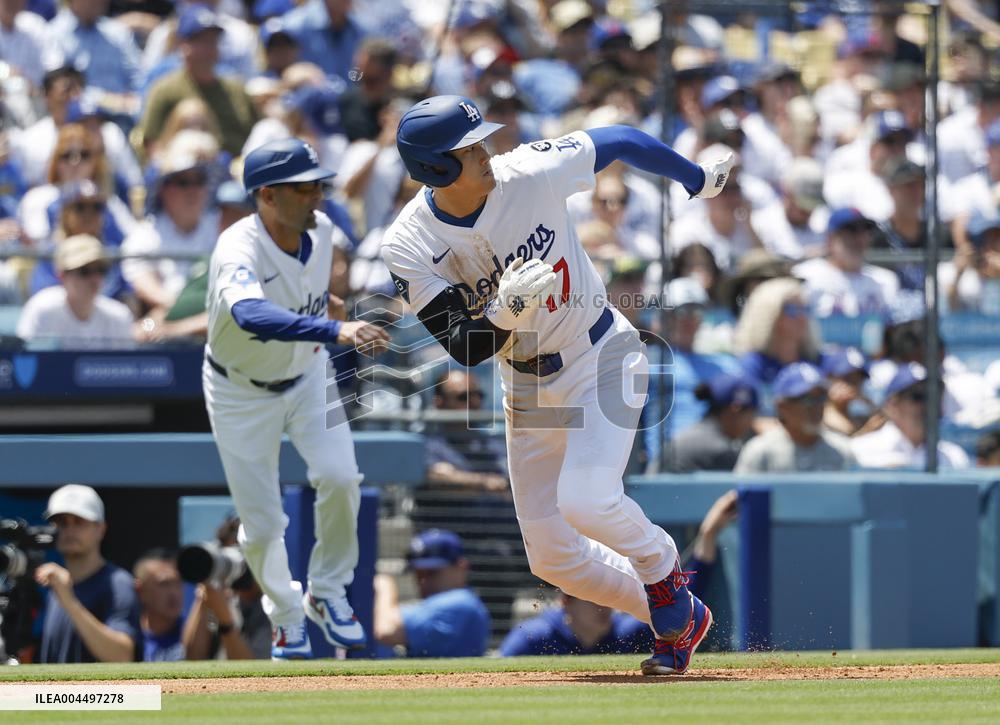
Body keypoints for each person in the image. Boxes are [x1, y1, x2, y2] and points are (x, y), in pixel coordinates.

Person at [382, 95, 735, 676]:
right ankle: (676, 613)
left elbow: (620, 136)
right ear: (436, 168)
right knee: (552, 557)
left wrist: (694, 177)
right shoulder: (409, 242)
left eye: (483, 140)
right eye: (470, 149)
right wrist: (502, 312)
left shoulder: (527, 170)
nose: (487, 152)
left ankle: (663, 566)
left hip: (599, 354)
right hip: (524, 385)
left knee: (587, 499)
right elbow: (464, 347)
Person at [203, 137, 389, 660]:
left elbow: (301, 292)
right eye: (303, 187)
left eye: (319, 185)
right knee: (262, 523)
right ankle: (286, 613)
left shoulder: (323, 229)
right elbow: (249, 315)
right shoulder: (236, 246)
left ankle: (328, 592)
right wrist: (336, 328)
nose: (317, 195)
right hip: (239, 389)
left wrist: (325, 309)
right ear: (266, 195)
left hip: (307, 373)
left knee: (340, 478)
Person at [35, 484, 141, 663]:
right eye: (62, 522)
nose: (69, 530)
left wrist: (69, 601)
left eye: (79, 521)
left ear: (101, 529)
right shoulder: (53, 584)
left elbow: (122, 656)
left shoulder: (118, 583)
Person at [372, 529, 491, 658]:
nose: (423, 581)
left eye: (432, 573)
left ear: (461, 567)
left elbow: (387, 630)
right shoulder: (435, 603)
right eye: (419, 574)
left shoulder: (462, 603)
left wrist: (385, 587)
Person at [16, 233, 135, 349]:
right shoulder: (42, 310)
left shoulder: (119, 316)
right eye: (85, 271)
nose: (95, 279)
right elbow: (26, 360)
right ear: (62, 275)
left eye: (100, 270)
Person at [734, 362, 856, 474]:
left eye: (821, 398)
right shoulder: (760, 452)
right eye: (807, 399)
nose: (816, 407)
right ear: (782, 406)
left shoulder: (842, 450)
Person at [852, 363, 971, 470]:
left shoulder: (954, 457)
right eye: (919, 397)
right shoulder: (860, 450)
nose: (929, 406)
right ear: (892, 405)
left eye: (935, 396)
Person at [793, 208, 900, 319]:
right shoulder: (806, 276)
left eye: (865, 231)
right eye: (851, 231)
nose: (859, 239)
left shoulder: (885, 281)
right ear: (830, 239)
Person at [499, 591, 653, 656]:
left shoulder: (631, 631)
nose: (604, 607)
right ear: (566, 602)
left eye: (608, 598)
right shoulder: (534, 636)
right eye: (595, 599)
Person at [667, 374, 758, 473]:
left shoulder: (697, 434)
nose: (752, 422)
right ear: (735, 410)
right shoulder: (719, 449)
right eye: (753, 414)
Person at [132, 549, 186, 661]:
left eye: (177, 583)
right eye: (163, 584)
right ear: (140, 590)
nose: (174, 592)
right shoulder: (129, 637)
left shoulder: (192, 633)